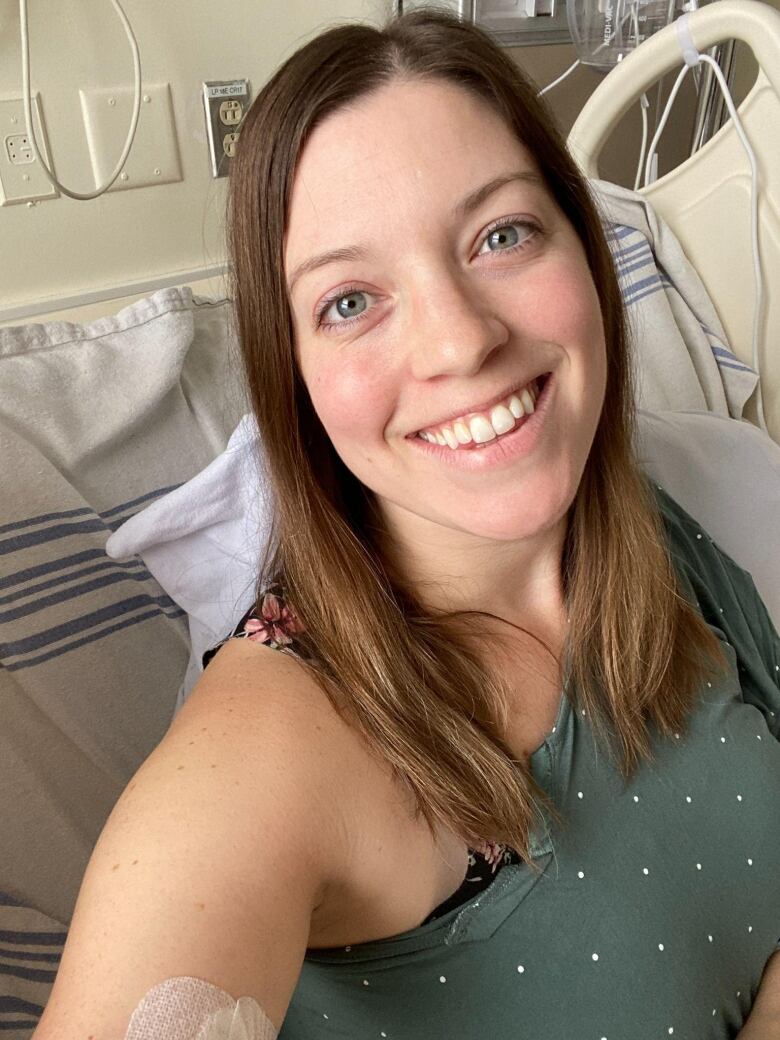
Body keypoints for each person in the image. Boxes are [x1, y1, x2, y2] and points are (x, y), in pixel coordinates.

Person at [32, 9, 780, 1040]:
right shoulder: (275, 756)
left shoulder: (659, 539)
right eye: (350, 301)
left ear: (587, 253)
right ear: (292, 378)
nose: (461, 339)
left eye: (502, 234)